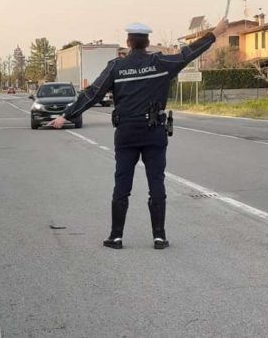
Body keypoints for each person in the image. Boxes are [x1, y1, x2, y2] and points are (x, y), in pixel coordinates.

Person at [49, 19, 228, 249]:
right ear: (147, 43)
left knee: (122, 185)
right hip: (154, 133)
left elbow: (93, 93)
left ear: (128, 42)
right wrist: (214, 33)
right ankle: (159, 237)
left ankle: (116, 236)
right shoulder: (160, 63)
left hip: (127, 134)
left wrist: (67, 115)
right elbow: (188, 54)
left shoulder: (116, 67)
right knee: (156, 183)